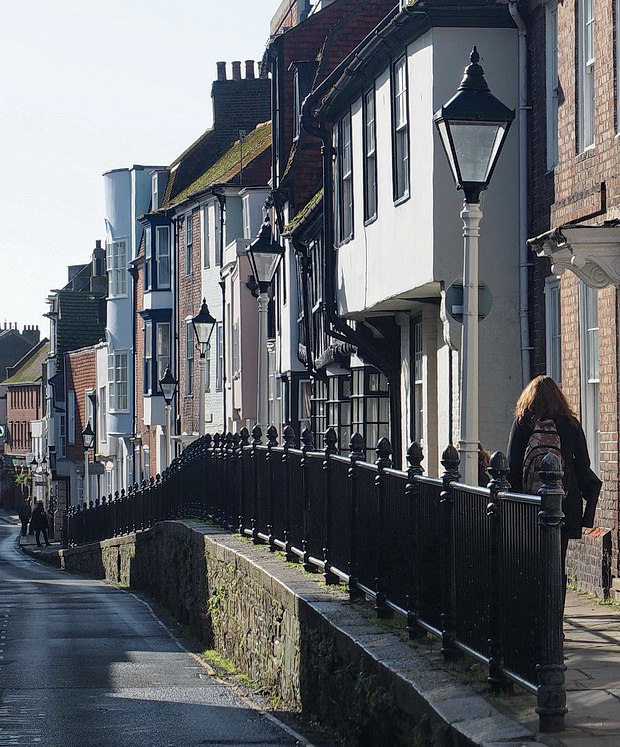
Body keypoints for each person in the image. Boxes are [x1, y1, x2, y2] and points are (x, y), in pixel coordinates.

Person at [506, 375, 601, 596]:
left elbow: (512, 463)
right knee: (557, 562)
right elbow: (583, 464)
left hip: (529, 505)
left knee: (530, 562)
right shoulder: (570, 423)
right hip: (563, 504)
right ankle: (555, 619)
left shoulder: (523, 422)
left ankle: (534, 618)